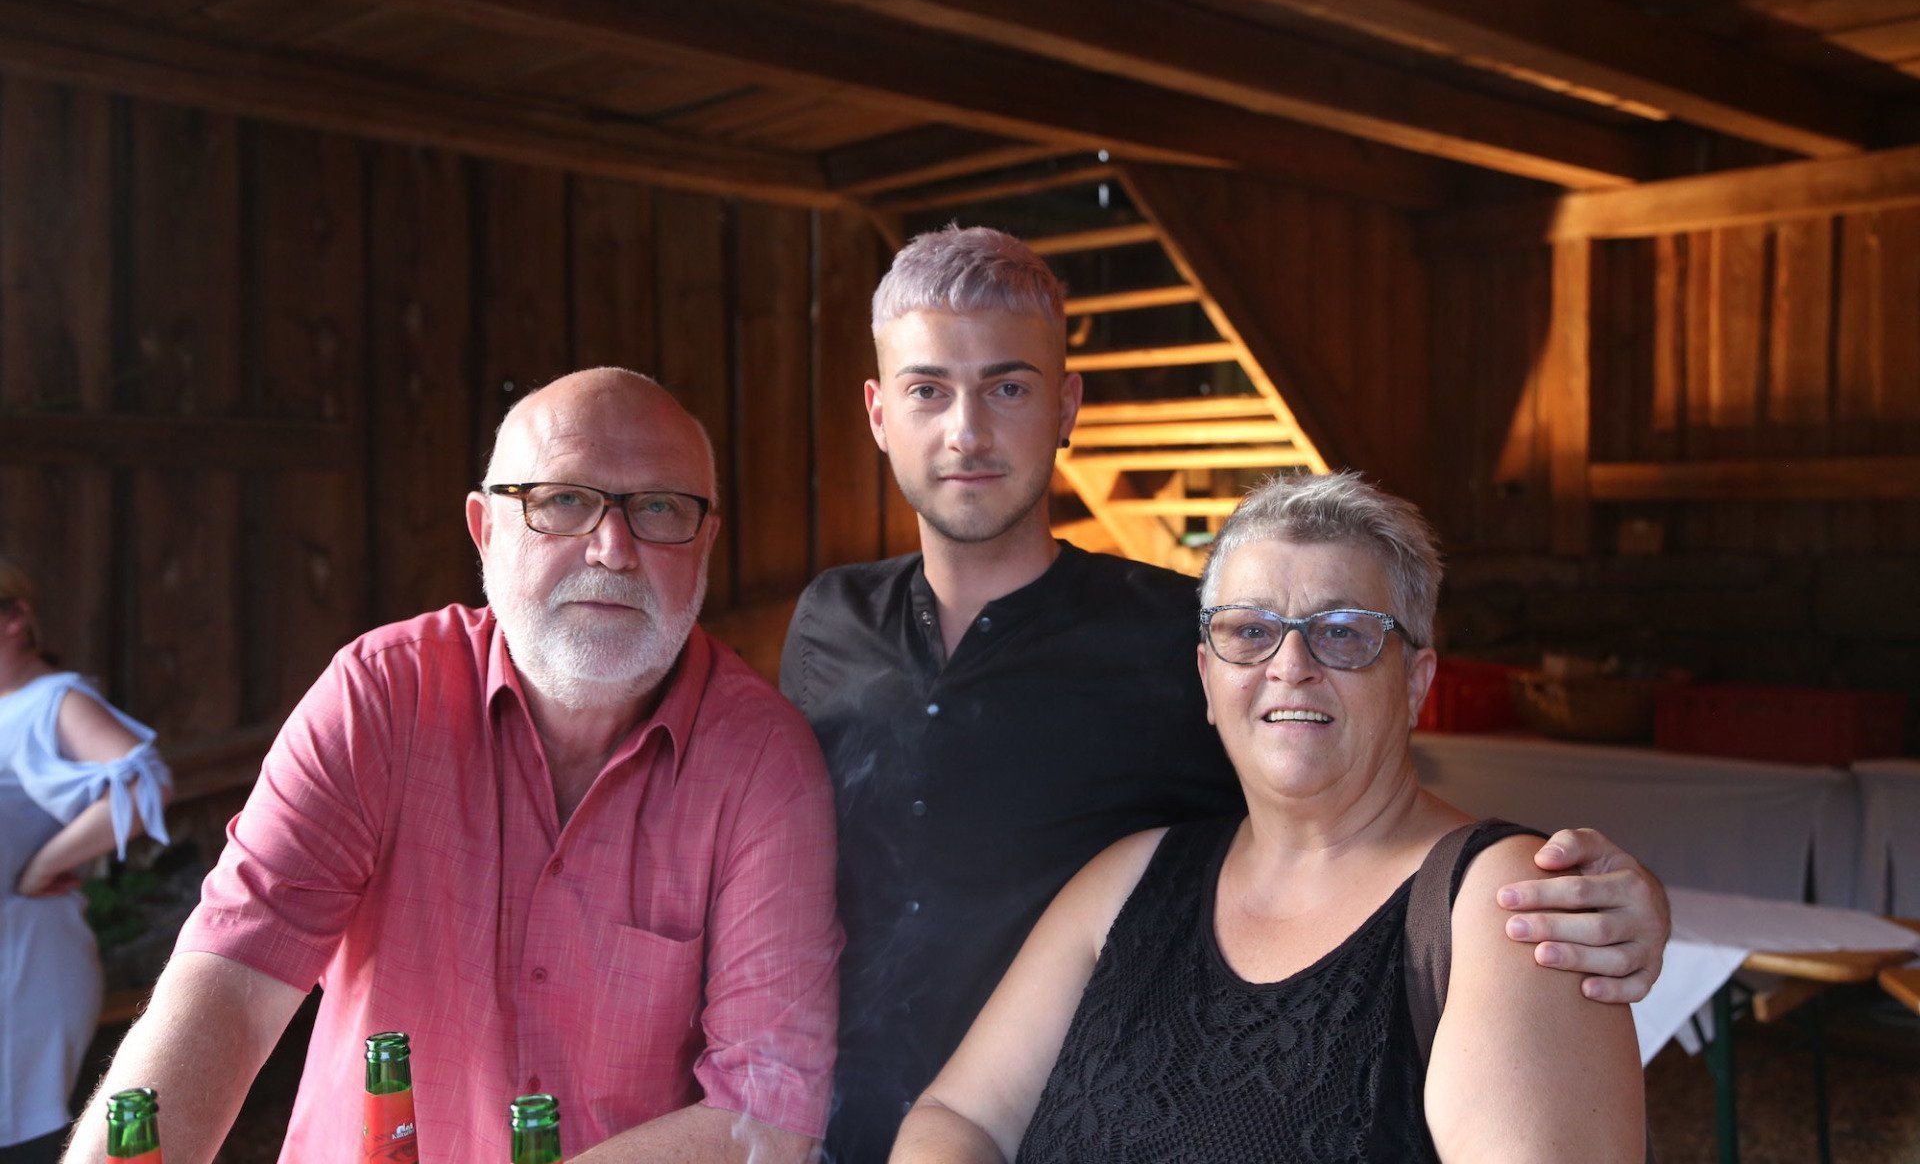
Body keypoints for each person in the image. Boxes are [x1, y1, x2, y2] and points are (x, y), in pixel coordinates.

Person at [780, 226, 1668, 1162]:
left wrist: (1595, 895)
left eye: (1008, 388)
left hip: (1075, 1113)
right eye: (927, 390)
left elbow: (1359, 799)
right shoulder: (828, 621)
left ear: (1066, 406)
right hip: (835, 1126)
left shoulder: (1180, 635)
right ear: (879, 412)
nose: (966, 431)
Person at [65, 369, 841, 1164]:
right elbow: (232, 978)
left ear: (705, 541)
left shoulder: (763, 763)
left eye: (661, 508)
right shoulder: (380, 696)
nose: (613, 549)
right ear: (486, 528)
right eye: (563, 500)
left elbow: (766, 1109)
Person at [894, 473, 1645, 1162]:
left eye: (1343, 631)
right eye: (1250, 631)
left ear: (1416, 683)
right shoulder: (1132, 877)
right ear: (1206, 679)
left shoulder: (1500, 906)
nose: (1290, 664)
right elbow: (960, 1116)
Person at [1, 557, 171, 1164]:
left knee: (20, 1133)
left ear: (16, 618)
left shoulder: (53, 699)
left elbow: (143, 782)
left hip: (25, 965)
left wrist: (43, 866)